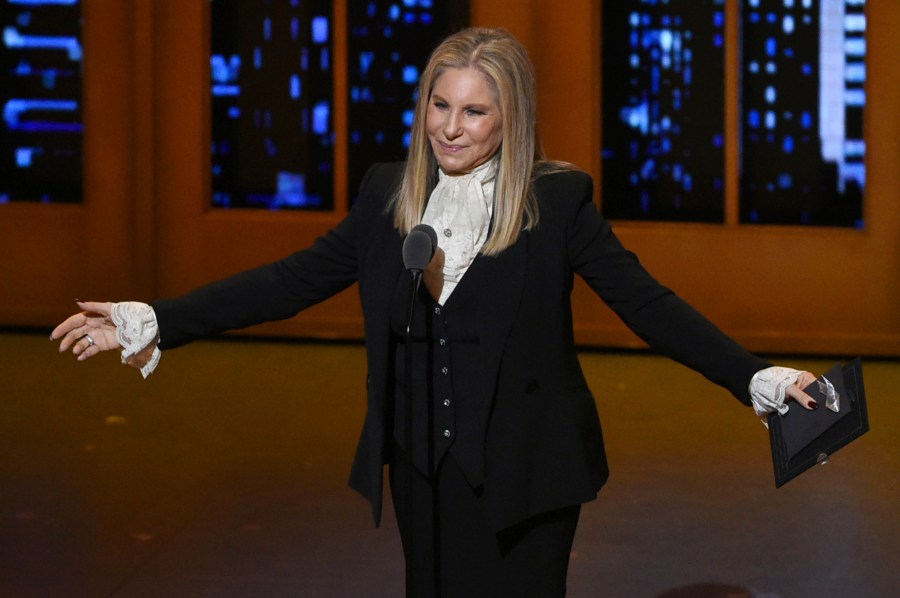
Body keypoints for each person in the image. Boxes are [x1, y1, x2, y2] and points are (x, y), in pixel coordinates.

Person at [51, 27, 818, 598]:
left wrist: (756, 377)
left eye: (475, 112)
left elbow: (650, 307)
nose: (451, 127)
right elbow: (285, 282)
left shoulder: (556, 202)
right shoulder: (389, 195)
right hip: (423, 464)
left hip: (527, 470)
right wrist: (149, 318)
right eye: (440, 104)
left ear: (509, 118)